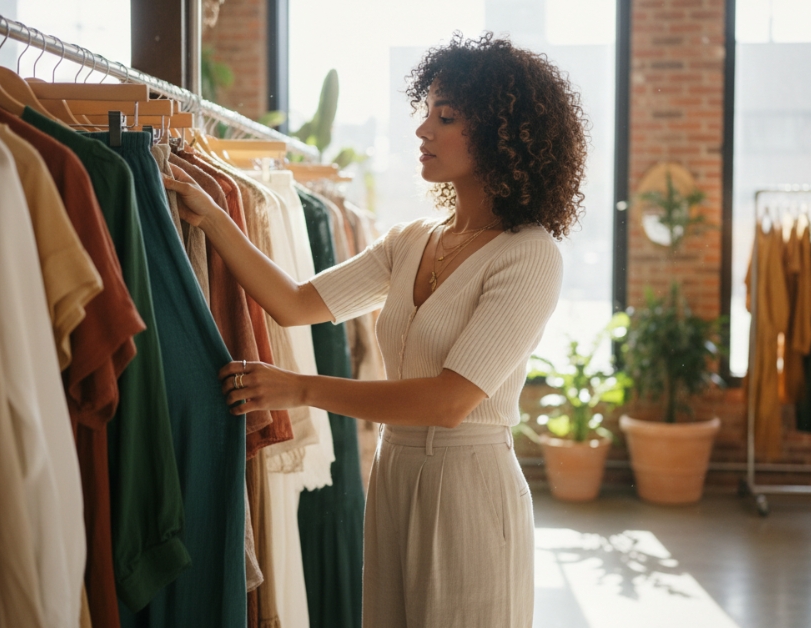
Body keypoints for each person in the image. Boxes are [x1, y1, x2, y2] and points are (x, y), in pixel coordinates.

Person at [163, 31, 588, 628]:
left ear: (501, 133)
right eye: (426, 112)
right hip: (393, 473)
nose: (423, 130)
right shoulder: (412, 240)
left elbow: (447, 401)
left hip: (470, 487)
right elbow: (293, 302)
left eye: (446, 116)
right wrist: (211, 215)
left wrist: (302, 388)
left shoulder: (530, 255)